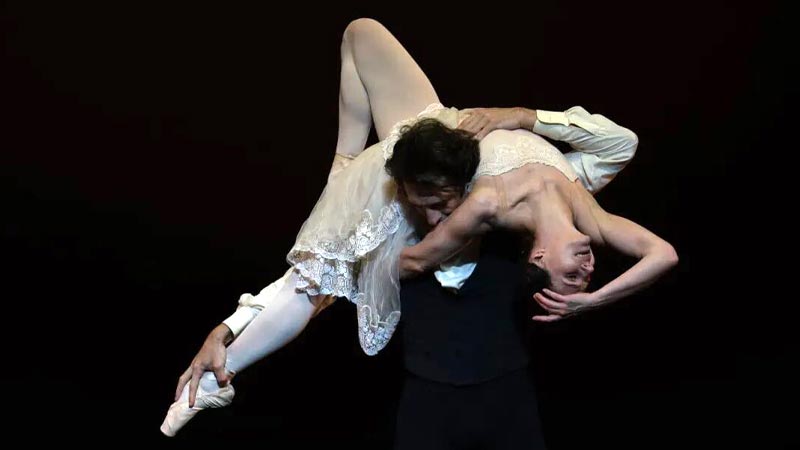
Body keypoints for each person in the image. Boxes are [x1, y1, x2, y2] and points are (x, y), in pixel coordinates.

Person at [160, 18, 652, 441]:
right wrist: (524, 116)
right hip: (436, 131)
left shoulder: (488, 205)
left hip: (417, 166)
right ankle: (342, 166)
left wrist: (229, 329)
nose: (588, 265)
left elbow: (331, 279)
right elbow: (621, 144)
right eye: (585, 272)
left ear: (537, 257)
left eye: (574, 276)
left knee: (321, 276)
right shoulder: (579, 195)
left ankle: (217, 379)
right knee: (361, 32)